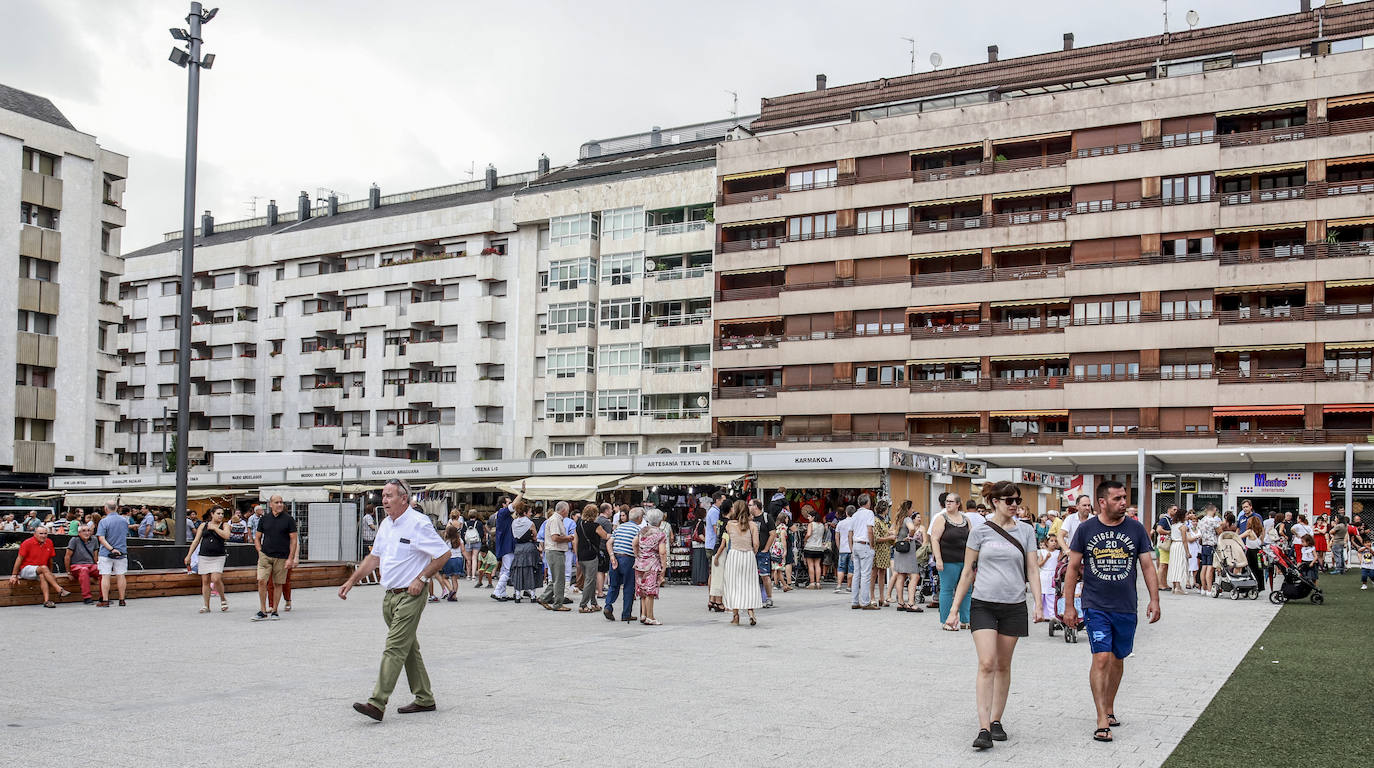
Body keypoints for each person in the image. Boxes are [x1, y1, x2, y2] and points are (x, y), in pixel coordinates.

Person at [338, 478, 450, 722]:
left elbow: (443, 554)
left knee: (394, 647)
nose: (384, 500)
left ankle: (377, 702)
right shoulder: (386, 525)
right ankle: (425, 698)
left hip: (411, 595)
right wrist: (352, 580)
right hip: (389, 596)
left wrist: (422, 578)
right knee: (408, 648)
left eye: (389, 496)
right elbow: (374, 558)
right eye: (383, 496)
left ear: (404, 498)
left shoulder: (418, 523)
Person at [944, 481, 1041, 750]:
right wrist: (954, 610)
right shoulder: (980, 532)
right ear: (995, 502)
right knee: (987, 662)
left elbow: (1032, 569)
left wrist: (1039, 603)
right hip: (983, 604)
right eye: (1009, 500)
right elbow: (968, 571)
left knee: (1003, 665)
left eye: (1017, 500)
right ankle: (984, 727)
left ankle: (997, 720)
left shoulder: (1027, 531)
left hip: (1014, 605)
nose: (1014, 505)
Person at [1063, 480, 1161, 745]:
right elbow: (1072, 568)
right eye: (1117, 499)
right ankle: (1101, 719)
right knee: (1102, 657)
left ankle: (1109, 706)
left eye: (1124, 498)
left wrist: (1155, 599)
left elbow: (1148, 567)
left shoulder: (1136, 529)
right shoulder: (1085, 530)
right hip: (1095, 605)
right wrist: (1069, 605)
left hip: (1126, 606)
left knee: (1118, 658)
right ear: (1102, 502)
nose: (1123, 504)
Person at [252, 495, 298, 621]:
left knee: (278, 583)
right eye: (276, 502)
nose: (279, 504)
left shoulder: (289, 519)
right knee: (261, 580)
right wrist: (259, 550)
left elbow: (294, 540)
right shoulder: (264, 519)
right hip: (265, 555)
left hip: (282, 556)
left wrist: (291, 558)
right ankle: (262, 610)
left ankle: (275, 610)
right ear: (270, 504)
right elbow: (257, 537)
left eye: (281, 502)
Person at [931, 493, 973, 629]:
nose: (947, 503)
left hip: (965, 560)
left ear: (958, 504)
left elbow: (972, 540)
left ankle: (965, 619)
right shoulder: (941, 518)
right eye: (946, 501)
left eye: (951, 501)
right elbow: (935, 539)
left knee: (967, 589)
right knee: (947, 589)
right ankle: (946, 621)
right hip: (948, 559)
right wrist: (938, 559)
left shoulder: (966, 519)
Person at [718, 500, 761, 626]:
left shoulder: (729, 525)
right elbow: (756, 544)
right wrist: (753, 552)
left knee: (733, 585)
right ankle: (751, 612)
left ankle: (736, 616)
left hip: (734, 555)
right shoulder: (752, 525)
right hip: (748, 555)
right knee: (749, 585)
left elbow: (726, 541)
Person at [9, 526, 70, 607]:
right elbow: (19, 559)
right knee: (43, 568)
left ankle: (46, 601)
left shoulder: (49, 542)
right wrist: (14, 575)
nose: (43, 536)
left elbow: (50, 560)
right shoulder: (27, 543)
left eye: (45, 533)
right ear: (35, 534)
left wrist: (50, 574)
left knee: (43, 575)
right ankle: (59, 589)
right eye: (41, 533)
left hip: (41, 570)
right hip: (26, 569)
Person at [185, 507, 230, 613]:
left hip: (218, 555)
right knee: (205, 580)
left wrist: (214, 528)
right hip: (204, 555)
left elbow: (227, 535)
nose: (220, 516)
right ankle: (206, 605)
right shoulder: (203, 525)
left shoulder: (224, 525)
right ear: (212, 514)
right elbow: (196, 541)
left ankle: (223, 598)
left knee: (216, 578)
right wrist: (189, 555)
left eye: (222, 513)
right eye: (218, 513)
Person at [604, 507, 644, 623]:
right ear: (640, 518)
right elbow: (635, 544)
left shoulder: (619, 527)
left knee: (614, 585)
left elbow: (609, 542)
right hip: (628, 559)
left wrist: (611, 556)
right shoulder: (638, 530)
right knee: (628, 587)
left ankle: (608, 606)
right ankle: (626, 614)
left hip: (615, 557)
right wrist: (638, 557)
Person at [633, 508, 669, 625]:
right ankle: (650, 617)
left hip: (640, 563)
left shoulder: (642, 531)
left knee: (642, 590)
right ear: (660, 521)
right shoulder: (660, 534)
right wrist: (664, 566)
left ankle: (643, 614)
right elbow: (662, 552)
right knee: (650, 591)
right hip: (652, 564)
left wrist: (638, 554)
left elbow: (634, 543)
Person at [537, 501, 573, 611]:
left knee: (556, 578)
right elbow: (555, 537)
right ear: (564, 510)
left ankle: (543, 598)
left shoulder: (555, 519)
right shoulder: (555, 520)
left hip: (554, 551)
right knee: (559, 579)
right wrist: (568, 538)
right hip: (555, 551)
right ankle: (558, 604)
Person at [95, 501, 129, 607]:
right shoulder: (124, 521)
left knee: (105, 575)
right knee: (121, 575)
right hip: (122, 552)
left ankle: (105, 600)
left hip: (106, 553)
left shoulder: (104, 521)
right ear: (117, 508)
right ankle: (122, 599)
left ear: (106, 509)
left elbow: (101, 538)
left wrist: (111, 549)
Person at [508, 500, 542, 603]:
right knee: (531, 570)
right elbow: (535, 537)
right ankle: (532, 595)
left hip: (518, 547)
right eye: (530, 511)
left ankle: (517, 595)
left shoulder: (514, 522)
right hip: (529, 547)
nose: (531, 513)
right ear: (526, 512)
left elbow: (514, 535)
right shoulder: (530, 523)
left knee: (518, 570)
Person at [574, 504, 606, 612]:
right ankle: (583, 605)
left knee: (591, 580)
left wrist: (576, 555)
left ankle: (594, 603)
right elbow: (605, 536)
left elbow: (575, 541)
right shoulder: (596, 526)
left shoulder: (579, 525)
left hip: (581, 556)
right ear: (595, 514)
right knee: (590, 580)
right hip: (591, 556)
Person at [848, 494, 878, 610]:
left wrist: (851, 549)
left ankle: (855, 601)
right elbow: (870, 530)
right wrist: (872, 545)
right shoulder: (869, 513)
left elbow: (850, 533)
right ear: (868, 502)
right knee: (866, 575)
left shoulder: (854, 515)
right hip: (864, 544)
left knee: (857, 574)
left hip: (855, 545)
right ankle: (865, 602)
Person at [891, 501, 921, 611]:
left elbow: (892, 532)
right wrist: (910, 535)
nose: (913, 510)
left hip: (899, 549)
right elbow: (912, 528)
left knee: (900, 575)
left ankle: (901, 602)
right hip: (908, 550)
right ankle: (911, 603)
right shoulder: (907, 519)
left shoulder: (898, 519)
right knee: (914, 576)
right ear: (908, 509)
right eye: (912, 508)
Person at [490, 492, 519, 601]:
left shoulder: (502, 514)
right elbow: (515, 505)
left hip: (505, 545)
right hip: (507, 545)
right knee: (507, 570)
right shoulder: (503, 512)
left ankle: (502, 592)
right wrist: (521, 493)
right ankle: (497, 591)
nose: (511, 504)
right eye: (508, 503)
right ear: (503, 504)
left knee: (504, 570)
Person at [65, 524, 101, 604]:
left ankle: (103, 596)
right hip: (77, 566)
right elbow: (67, 557)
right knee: (84, 570)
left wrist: (99, 567)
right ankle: (87, 597)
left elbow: (96, 556)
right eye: (83, 531)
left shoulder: (94, 539)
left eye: (88, 530)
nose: (86, 533)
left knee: (103, 571)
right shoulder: (74, 540)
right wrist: (68, 572)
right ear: (79, 533)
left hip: (91, 565)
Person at [802, 504, 828, 590]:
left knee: (810, 565)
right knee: (817, 565)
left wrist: (805, 539)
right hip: (819, 547)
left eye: (809, 516)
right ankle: (818, 583)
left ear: (813, 517)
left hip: (810, 547)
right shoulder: (821, 525)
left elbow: (809, 534)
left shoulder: (811, 524)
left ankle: (812, 583)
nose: (808, 518)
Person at [1197, 505, 1221, 594]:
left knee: (1203, 567)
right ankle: (1210, 589)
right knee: (1210, 568)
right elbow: (1220, 532)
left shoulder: (1202, 520)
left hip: (1204, 545)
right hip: (1211, 545)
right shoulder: (1213, 520)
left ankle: (1204, 588)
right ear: (1214, 510)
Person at [436, 526, 464, 602]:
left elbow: (444, 552)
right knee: (454, 579)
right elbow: (463, 550)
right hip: (458, 559)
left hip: (449, 559)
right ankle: (454, 596)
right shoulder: (460, 540)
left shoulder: (447, 541)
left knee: (444, 577)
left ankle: (451, 590)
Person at [1037, 533, 1059, 620]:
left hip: (1053, 574)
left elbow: (1059, 563)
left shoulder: (1058, 552)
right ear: (1047, 542)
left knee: (1051, 594)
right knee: (1042, 594)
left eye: (1055, 541)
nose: (1054, 543)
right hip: (1044, 575)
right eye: (1051, 541)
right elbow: (1039, 564)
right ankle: (1040, 613)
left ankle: (1052, 614)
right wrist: (1046, 558)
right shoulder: (1043, 552)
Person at [833, 506, 854, 594]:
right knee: (851, 569)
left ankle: (839, 585)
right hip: (852, 549)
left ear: (846, 513)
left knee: (841, 568)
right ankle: (849, 586)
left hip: (843, 549)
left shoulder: (840, 523)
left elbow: (837, 537)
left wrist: (839, 547)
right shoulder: (855, 522)